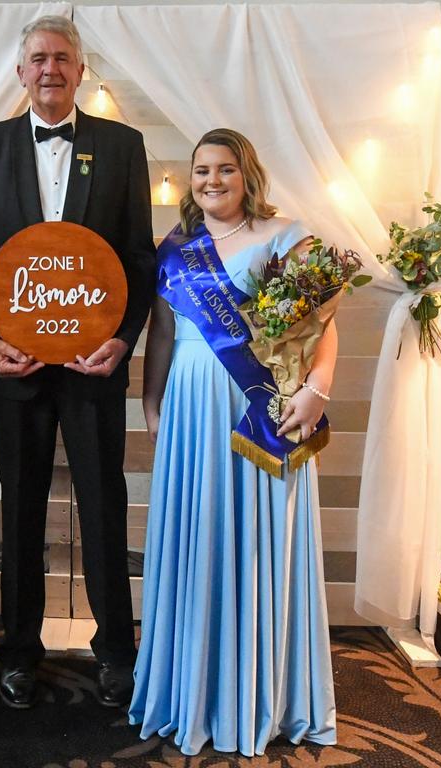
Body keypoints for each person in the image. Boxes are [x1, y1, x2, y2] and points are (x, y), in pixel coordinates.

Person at [0, 15, 156, 709]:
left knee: (104, 509)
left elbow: (138, 260)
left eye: (62, 58)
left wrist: (124, 339)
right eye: (38, 58)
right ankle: (17, 653)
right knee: (21, 514)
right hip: (17, 373)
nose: (50, 69)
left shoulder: (123, 147)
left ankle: (116, 654)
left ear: (80, 69)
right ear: (20, 71)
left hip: (95, 369)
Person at [128, 128, 337, 755]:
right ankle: (191, 688)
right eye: (200, 171)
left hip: (262, 409)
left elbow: (324, 328)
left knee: (257, 542)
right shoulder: (175, 248)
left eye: (224, 169)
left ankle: (259, 692)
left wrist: (318, 391)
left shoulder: (286, 237)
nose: (211, 181)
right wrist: (150, 397)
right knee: (199, 534)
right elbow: (162, 334)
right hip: (191, 404)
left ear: (247, 174)